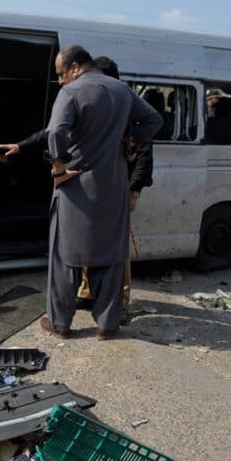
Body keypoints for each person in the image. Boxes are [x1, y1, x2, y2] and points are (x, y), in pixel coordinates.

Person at [40, 45, 162, 340]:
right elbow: (154, 120)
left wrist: (58, 167)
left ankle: (60, 323)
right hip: (114, 186)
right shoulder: (122, 90)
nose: (59, 80)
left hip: (75, 187)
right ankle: (107, 324)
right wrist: (130, 142)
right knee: (110, 256)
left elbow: (56, 132)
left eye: (60, 73)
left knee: (65, 255)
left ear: (74, 67)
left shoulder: (70, 93)